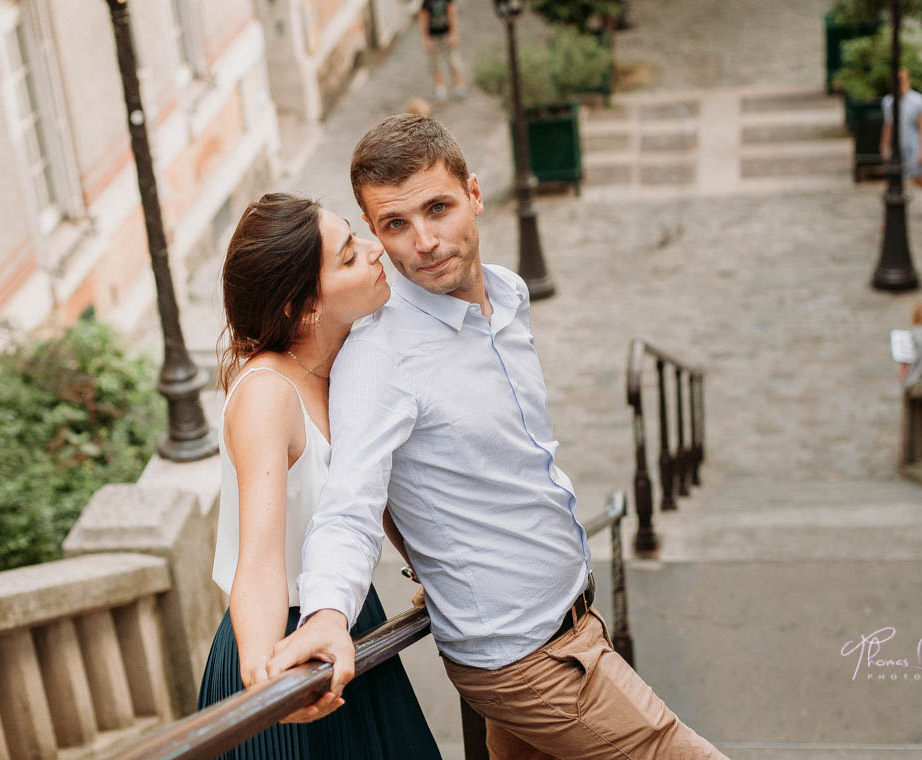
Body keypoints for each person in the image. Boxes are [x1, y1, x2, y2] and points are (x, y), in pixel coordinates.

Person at [270, 115, 727, 759]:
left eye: (439, 208)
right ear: (375, 232)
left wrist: (439, 557)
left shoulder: (508, 295)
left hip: (569, 620)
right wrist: (325, 614)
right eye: (396, 225)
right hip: (529, 661)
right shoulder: (381, 356)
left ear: (475, 194)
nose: (424, 241)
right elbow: (350, 504)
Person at [196, 193, 442, 760]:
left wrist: (430, 566)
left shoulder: (346, 362)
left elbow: (365, 489)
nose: (376, 250)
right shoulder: (266, 394)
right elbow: (256, 560)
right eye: (351, 256)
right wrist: (269, 686)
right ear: (305, 306)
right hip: (279, 638)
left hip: (349, 616)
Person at [880, 68, 922, 215]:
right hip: (897, 145)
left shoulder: (917, 101)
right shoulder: (888, 102)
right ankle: (888, 217)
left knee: (917, 178)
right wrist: (884, 146)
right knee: (892, 182)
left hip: (912, 144)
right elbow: (888, 126)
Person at [420, 0, 466, 100]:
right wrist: (426, 38)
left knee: (453, 61)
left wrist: (454, 33)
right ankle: (440, 88)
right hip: (433, 37)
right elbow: (423, 19)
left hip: (446, 34)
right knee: (434, 63)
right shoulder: (426, 2)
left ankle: (459, 87)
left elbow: (453, 14)